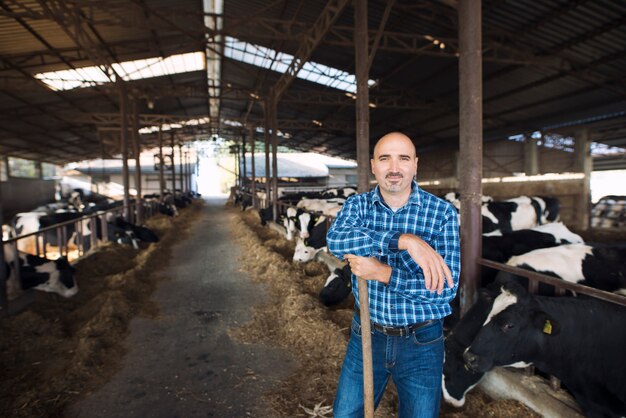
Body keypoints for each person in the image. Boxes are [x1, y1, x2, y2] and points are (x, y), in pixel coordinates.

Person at [326, 131, 461, 418]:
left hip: (421, 342)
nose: (395, 168)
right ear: (373, 165)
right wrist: (404, 240)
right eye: (385, 158)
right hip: (367, 334)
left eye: (403, 158)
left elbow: (446, 291)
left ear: (415, 164)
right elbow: (336, 241)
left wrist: (383, 272)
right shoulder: (357, 206)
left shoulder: (443, 214)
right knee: (345, 415)